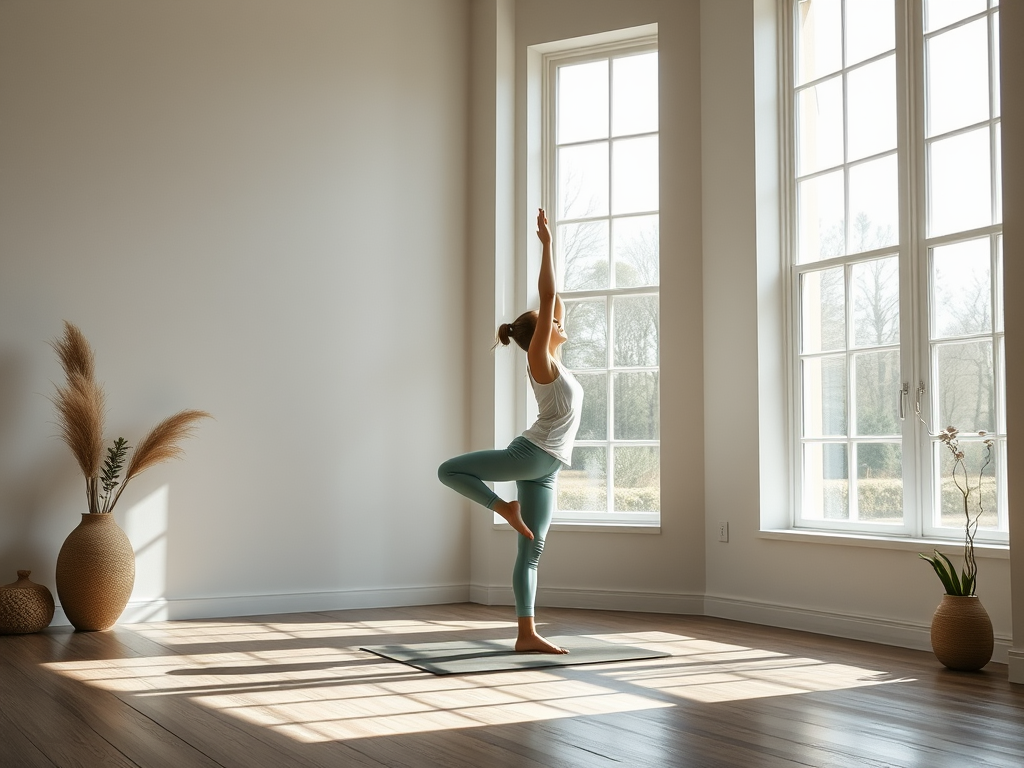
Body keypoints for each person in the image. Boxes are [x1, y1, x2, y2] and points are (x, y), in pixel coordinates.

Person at [438, 207, 584, 655]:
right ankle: (503, 507)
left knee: (532, 550)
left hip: (548, 468)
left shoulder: (555, 360)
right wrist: (546, 246)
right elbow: (549, 296)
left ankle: (526, 633)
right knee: (449, 470)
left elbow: (555, 304)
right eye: (550, 322)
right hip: (531, 453)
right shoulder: (539, 359)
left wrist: (552, 254)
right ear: (538, 333)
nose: (560, 321)